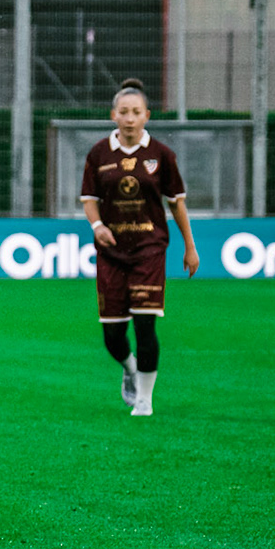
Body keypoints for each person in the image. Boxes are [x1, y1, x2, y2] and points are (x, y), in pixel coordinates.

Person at [80, 78, 199, 416]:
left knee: (146, 325)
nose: (130, 118)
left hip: (149, 249)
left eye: (136, 112)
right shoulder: (99, 154)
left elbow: (176, 204)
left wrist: (190, 248)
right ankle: (130, 369)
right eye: (123, 112)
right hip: (111, 254)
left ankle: (144, 399)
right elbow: (89, 200)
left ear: (146, 115)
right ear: (113, 115)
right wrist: (98, 225)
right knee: (113, 336)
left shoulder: (161, 155)